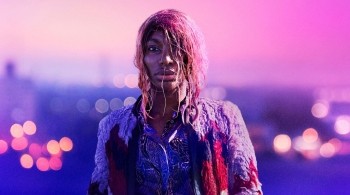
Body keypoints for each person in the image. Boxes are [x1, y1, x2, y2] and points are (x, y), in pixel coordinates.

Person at [88, 9, 262, 195]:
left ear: (192, 56)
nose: (166, 60)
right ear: (141, 58)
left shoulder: (224, 118)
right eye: (154, 49)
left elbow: (248, 189)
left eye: (177, 49)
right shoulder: (114, 127)